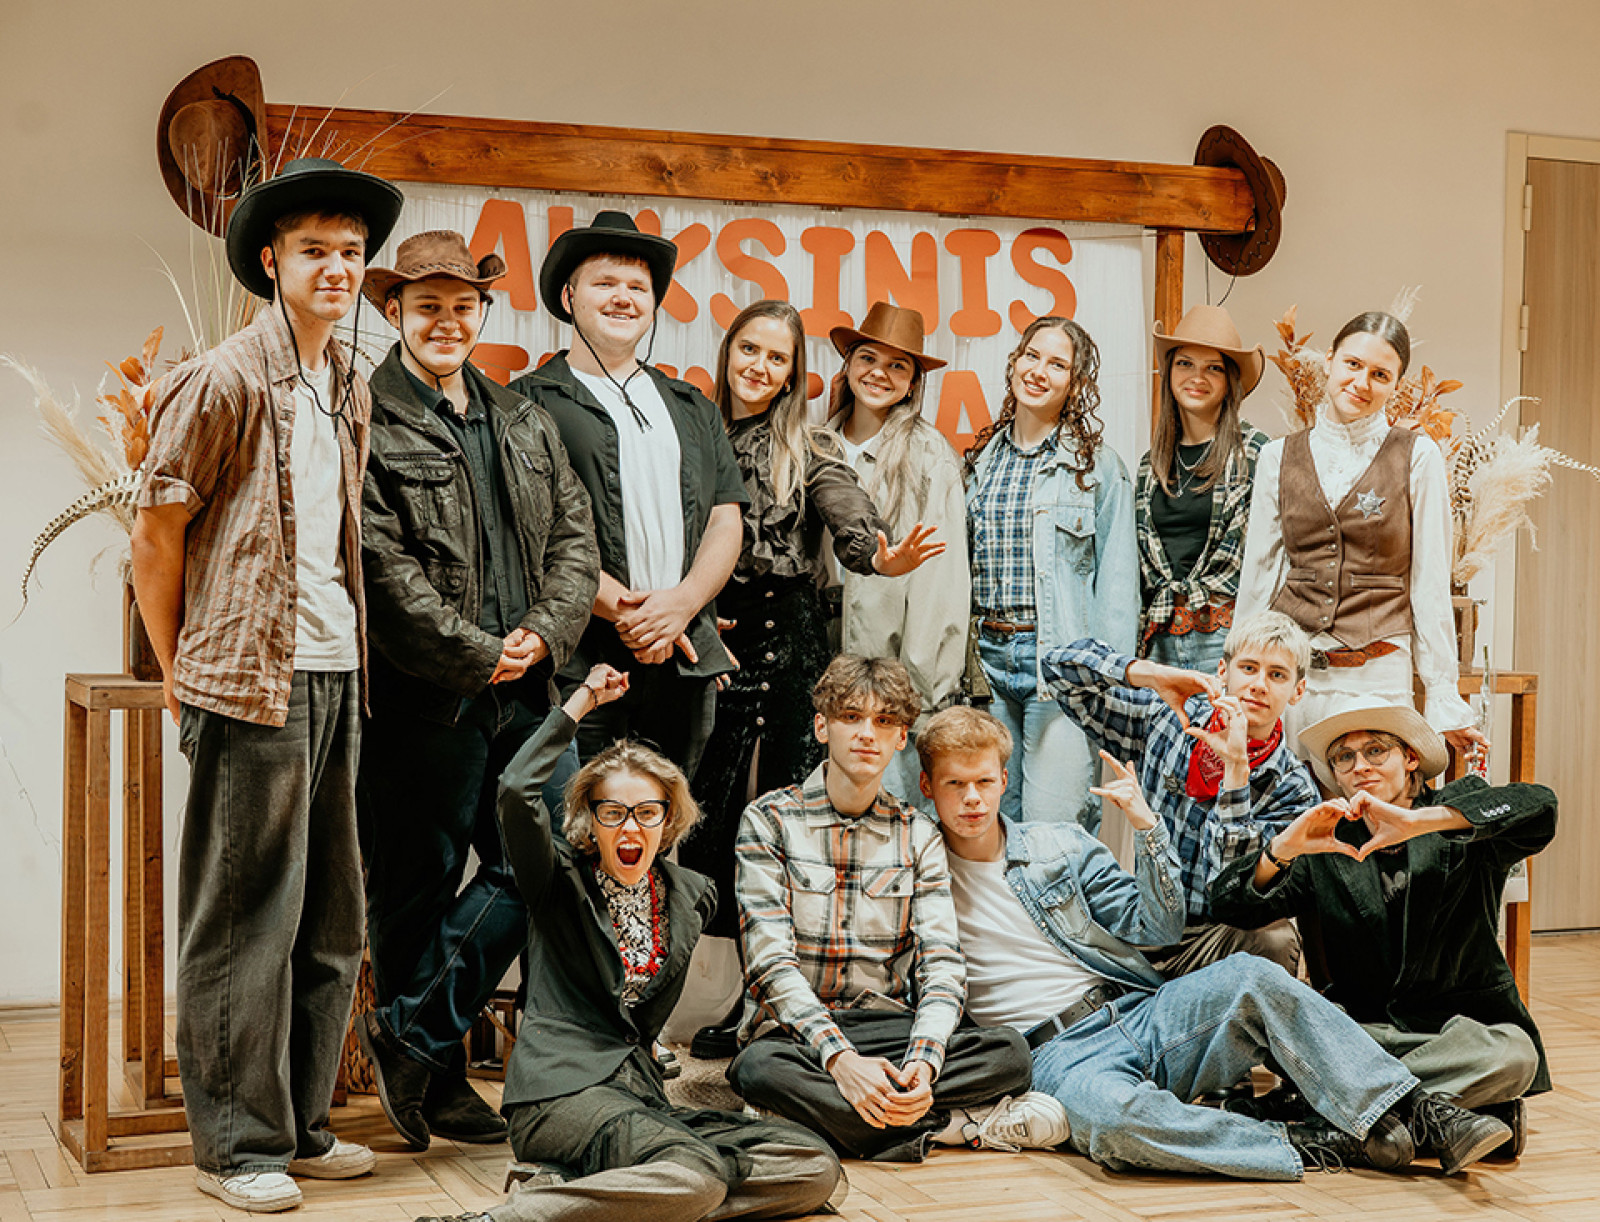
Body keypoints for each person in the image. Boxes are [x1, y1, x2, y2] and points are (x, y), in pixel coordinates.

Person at [131, 157, 403, 1212]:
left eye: (351, 252)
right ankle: (235, 1147)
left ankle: (300, 1125)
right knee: (245, 917)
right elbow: (156, 533)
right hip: (249, 681)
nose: (337, 268)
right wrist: (177, 670)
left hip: (338, 671)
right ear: (270, 260)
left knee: (330, 920)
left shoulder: (349, 384)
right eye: (314, 251)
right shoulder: (223, 379)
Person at [915, 704, 1513, 1180]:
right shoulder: (909, 873)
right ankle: (1309, 1141)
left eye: (985, 781)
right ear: (927, 786)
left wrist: (1148, 829)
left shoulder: (1059, 846)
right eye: (955, 784)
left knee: (1253, 976)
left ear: (1004, 780)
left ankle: (1420, 1114)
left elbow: (1156, 928)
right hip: (1054, 1055)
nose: (972, 799)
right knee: (1117, 1126)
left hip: (1136, 1011)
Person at [414, 665, 843, 1222]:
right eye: (613, 813)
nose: (630, 828)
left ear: (668, 819)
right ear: (590, 821)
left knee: (813, 1166)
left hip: (641, 1098)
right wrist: (579, 704)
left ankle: (616, 1194)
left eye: (646, 812)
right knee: (695, 1175)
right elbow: (516, 790)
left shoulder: (692, 895)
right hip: (560, 1095)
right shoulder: (557, 881)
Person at [354, 230, 601, 1150]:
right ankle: (440, 1081)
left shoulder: (523, 417)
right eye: (428, 306)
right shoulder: (368, 417)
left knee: (548, 857)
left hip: (529, 693)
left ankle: (410, 1037)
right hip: (425, 700)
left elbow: (576, 539)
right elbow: (378, 565)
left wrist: (545, 632)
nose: (447, 321)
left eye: (463, 306)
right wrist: (472, 651)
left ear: (484, 311)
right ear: (395, 312)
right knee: (414, 894)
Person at [684, 300, 943, 1056]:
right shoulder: (691, 428)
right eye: (750, 350)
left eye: (778, 358)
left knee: (786, 826)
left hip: (787, 644)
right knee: (704, 823)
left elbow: (847, 512)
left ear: (795, 373)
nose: (761, 368)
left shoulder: (811, 443)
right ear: (728, 352)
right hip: (706, 638)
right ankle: (692, 995)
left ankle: (762, 1005)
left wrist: (878, 553)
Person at [727, 655, 1064, 1162]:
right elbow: (769, 965)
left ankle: (813, 1119)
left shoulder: (918, 834)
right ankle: (953, 1126)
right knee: (758, 1070)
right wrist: (841, 1062)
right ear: (822, 727)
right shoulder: (769, 820)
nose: (868, 733)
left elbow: (942, 965)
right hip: (795, 1036)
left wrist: (924, 1065)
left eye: (884, 721)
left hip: (886, 1030)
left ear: (901, 737)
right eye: (851, 717)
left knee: (1010, 1053)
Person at [1210, 697, 1554, 1158]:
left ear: (1410, 758)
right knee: (1282, 1035)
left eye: (1376, 750)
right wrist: (1282, 850)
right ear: (1335, 774)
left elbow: (1541, 807)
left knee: (1515, 1054)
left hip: (1456, 1035)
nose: (1360, 766)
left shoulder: (1453, 811)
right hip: (1362, 1035)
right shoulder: (1326, 840)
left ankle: (1330, 1115)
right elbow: (1229, 905)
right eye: (1344, 757)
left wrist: (1418, 823)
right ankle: (1439, 1119)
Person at [510, 211, 746, 775]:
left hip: (684, 657)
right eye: (605, 283)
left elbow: (725, 518)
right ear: (568, 297)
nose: (623, 298)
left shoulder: (692, 406)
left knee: (670, 817)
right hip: (579, 661)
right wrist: (629, 613)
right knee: (576, 817)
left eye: (638, 287)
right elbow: (531, 534)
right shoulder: (525, 404)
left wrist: (682, 605)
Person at [1235, 311, 1485, 757]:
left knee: (1367, 792)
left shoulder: (1418, 456)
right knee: (1289, 793)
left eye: (1380, 375)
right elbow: (1259, 575)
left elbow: (1429, 584)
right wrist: (1241, 672)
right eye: (1353, 364)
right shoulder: (1277, 457)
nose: (1362, 383)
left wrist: (1442, 695)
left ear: (1395, 385)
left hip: (1377, 670)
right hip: (1292, 669)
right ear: (1329, 360)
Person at [1038, 611, 1315, 977]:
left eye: (1277, 675)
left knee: (1275, 940)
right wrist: (1151, 674)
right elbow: (1057, 669)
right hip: (1146, 920)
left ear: (1298, 691)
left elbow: (1233, 892)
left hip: (1217, 937)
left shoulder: (1294, 789)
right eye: (1248, 668)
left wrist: (1236, 772)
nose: (1259, 684)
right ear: (1223, 671)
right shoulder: (1168, 718)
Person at [964, 316, 1137, 829]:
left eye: (1057, 364)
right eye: (1032, 356)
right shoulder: (979, 463)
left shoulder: (1099, 468)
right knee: (990, 825)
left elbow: (1118, 589)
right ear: (1014, 363)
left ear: (1075, 384)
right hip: (986, 667)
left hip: (1060, 667)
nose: (1039, 371)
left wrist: (1107, 685)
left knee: (1052, 828)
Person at [823, 302, 970, 806]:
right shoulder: (816, 444)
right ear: (848, 364)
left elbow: (940, 585)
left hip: (889, 668)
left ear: (912, 383)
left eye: (897, 365)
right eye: (868, 358)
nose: (879, 374)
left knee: (891, 809)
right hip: (816, 649)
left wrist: (918, 691)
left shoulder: (929, 457)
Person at [1137, 305, 1270, 671]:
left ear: (1230, 381)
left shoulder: (1258, 453)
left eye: (1213, 368)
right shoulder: (1151, 465)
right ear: (1169, 372)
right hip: (1158, 637)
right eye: (1185, 364)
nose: (1197, 377)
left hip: (1228, 637)